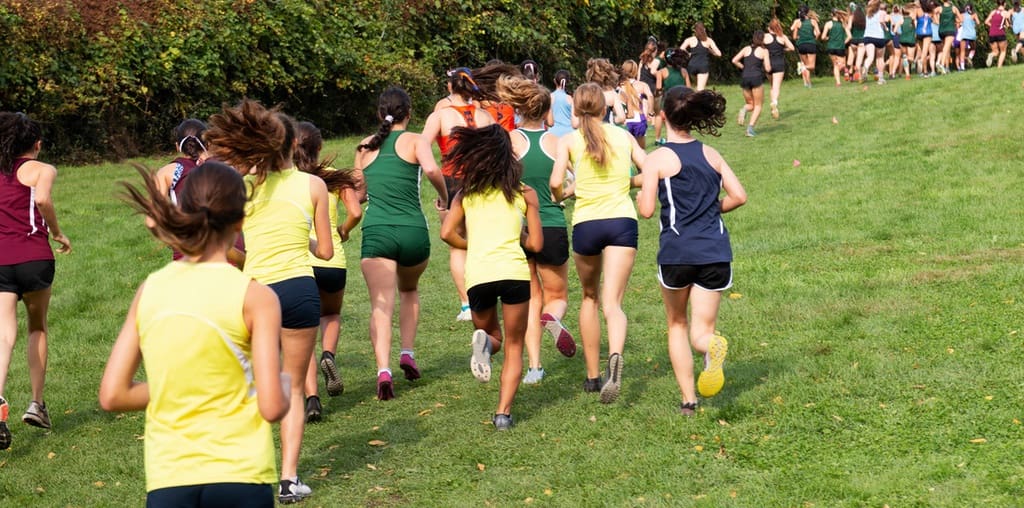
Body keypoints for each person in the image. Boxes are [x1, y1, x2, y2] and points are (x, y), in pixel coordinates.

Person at [100, 161, 290, 507]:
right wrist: (286, 385)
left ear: (183, 211)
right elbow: (272, 405)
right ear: (241, 221)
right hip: (241, 475)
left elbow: (113, 395)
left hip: (170, 477)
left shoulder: (150, 289)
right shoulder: (256, 296)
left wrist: (181, 386)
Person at [204, 100, 334, 504]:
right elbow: (327, 253)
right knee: (293, 388)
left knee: (250, 385)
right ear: (294, 143)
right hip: (298, 289)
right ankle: (289, 479)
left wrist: (246, 263)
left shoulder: (245, 187)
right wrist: (304, 240)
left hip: (253, 292)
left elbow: (222, 245)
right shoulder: (314, 186)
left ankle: (239, 471)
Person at [637, 85, 746, 416]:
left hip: (677, 252)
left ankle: (688, 401)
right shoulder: (712, 154)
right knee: (703, 331)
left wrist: (644, 184)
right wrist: (712, 210)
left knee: (677, 325)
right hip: (715, 251)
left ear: (664, 117)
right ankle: (711, 346)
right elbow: (739, 195)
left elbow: (645, 210)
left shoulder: (657, 158)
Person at [440, 124, 543, 430]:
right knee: (513, 345)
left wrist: (473, 245)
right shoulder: (525, 192)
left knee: (493, 337)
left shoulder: (466, 194)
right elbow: (536, 245)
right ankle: (502, 414)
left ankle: (484, 342)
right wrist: (522, 235)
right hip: (513, 272)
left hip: (478, 273)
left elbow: (447, 233)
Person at [550, 83, 646, 404]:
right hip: (622, 221)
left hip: (587, 225)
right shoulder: (623, 136)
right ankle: (615, 358)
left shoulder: (569, 141)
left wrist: (563, 193)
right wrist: (628, 181)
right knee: (613, 303)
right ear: (605, 108)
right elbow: (649, 171)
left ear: (575, 111)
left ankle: (592, 377)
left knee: (589, 297)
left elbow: (554, 182)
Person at [357, 87, 448, 401]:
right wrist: (445, 196)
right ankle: (407, 352)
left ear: (379, 113)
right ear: (409, 113)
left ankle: (384, 370)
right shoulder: (416, 141)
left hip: (377, 231)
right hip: (412, 231)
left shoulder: (364, 146)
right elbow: (433, 169)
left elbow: (358, 194)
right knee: (409, 290)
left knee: (381, 305)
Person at [497, 75, 577, 385]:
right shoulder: (557, 143)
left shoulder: (510, 142)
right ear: (546, 113)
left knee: (531, 297)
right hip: (552, 225)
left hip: (519, 229)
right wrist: (561, 196)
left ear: (519, 110)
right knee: (556, 295)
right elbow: (576, 180)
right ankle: (552, 318)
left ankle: (534, 367)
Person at [0, 112, 71, 450]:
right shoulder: (43, 170)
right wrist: (57, 232)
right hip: (34, 258)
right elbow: (41, 199)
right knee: (37, 327)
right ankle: (37, 404)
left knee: (3, 333)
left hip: (0, 261)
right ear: (37, 144)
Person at [293, 121, 362, 422]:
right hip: (333, 262)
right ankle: (329, 356)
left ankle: (312, 400)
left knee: (304, 333)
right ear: (319, 147)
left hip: (302, 263)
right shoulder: (332, 179)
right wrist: (343, 230)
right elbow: (356, 211)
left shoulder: (289, 181)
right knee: (331, 316)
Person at [419, 67, 495, 322]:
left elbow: (423, 149)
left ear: (450, 87)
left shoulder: (440, 116)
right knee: (482, 240)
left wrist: (438, 182)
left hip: (453, 181)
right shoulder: (485, 115)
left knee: (457, 245)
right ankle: (484, 297)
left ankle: (466, 304)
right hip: (483, 181)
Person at [732, 31, 772, 137]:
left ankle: (744, 109)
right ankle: (750, 129)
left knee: (751, 104)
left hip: (745, 78)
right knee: (758, 105)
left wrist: (743, 67)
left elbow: (734, 60)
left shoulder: (746, 49)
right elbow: (768, 68)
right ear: (762, 39)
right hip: (756, 78)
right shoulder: (764, 51)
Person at [620, 60, 655, 148]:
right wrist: (650, 111)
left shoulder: (619, 86)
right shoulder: (642, 85)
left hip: (624, 122)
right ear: (635, 71)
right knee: (641, 150)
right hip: (639, 121)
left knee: (627, 151)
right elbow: (650, 96)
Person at [679, 22, 723, 90]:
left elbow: (681, 49)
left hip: (691, 66)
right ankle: (698, 99)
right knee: (700, 89)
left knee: (693, 88)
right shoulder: (708, 40)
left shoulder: (690, 40)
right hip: (703, 66)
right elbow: (719, 54)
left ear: (694, 30)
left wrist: (688, 53)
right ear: (704, 29)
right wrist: (710, 50)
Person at [765, 18, 795, 115]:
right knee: (776, 87)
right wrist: (783, 49)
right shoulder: (782, 37)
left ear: (769, 28)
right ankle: (774, 103)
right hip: (779, 63)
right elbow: (792, 48)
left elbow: (759, 47)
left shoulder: (765, 37)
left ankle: (773, 107)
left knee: (772, 86)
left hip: (768, 64)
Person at [585, 58, 626, 125]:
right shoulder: (611, 94)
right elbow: (621, 117)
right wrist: (611, 121)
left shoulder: (584, 92)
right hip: (605, 130)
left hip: (588, 129)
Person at [861, 0, 892, 83]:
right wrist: (885, 28)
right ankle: (881, 78)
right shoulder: (882, 12)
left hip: (868, 36)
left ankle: (866, 67)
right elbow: (883, 21)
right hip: (879, 37)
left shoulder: (868, 13)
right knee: (880, 58)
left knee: (870, 57)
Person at [791, 5, 821, 87]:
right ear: (808, 12)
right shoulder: (813, 21)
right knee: (811, 66)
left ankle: (808, 83)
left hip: (801, 45)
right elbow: (818, 33)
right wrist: (815, 39)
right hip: (811, 44)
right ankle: (801, 68)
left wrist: (800, 37)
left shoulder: (798, 22)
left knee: (805, 65)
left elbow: (794, 37)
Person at [822, 9, 852, 86]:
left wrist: (828, 38)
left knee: (835, 65)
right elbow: (849, 36)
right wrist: (843, 42)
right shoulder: (843, 24)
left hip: (831, 47)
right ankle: (844, 73)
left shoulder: (828, 24)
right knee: (841, 65)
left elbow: (823, 37)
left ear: (832, 15)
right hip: (840, 47)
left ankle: (838, 82)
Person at [546, 70, 575, 137]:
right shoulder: (570, 99)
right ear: (568, 82)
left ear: (554, 81)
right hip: (569, 133)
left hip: (553, 132)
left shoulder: (550, 97)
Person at [936, 1, 962, 73]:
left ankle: (945, 67)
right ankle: (942, 64)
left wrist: (937, 21)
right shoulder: (954, 8)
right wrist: (955, 21)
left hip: (941, 31)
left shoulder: (939, 8)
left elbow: (933, 13)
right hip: (950, 30)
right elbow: (961, 19)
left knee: (946, 49)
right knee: (946, 48)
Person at [986, 0, 1011, 67]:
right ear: (1004, 4)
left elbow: (986, 22)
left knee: (995, 52)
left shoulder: (993, 12)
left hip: (992, 33)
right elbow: (1008, 24)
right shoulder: (1006, 12)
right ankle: (999, 67)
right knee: (1003, 51)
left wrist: (994, 26)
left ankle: (991, 55)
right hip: (1000, 33)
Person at [959, 3, 981, 70]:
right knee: (973, 48)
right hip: (972, 34)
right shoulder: (974, 15)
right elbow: (978, 23)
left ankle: (962, 67)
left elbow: (958, 22)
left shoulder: (961, 15)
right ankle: (970, 57)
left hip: (964, 34)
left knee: (962, 51)